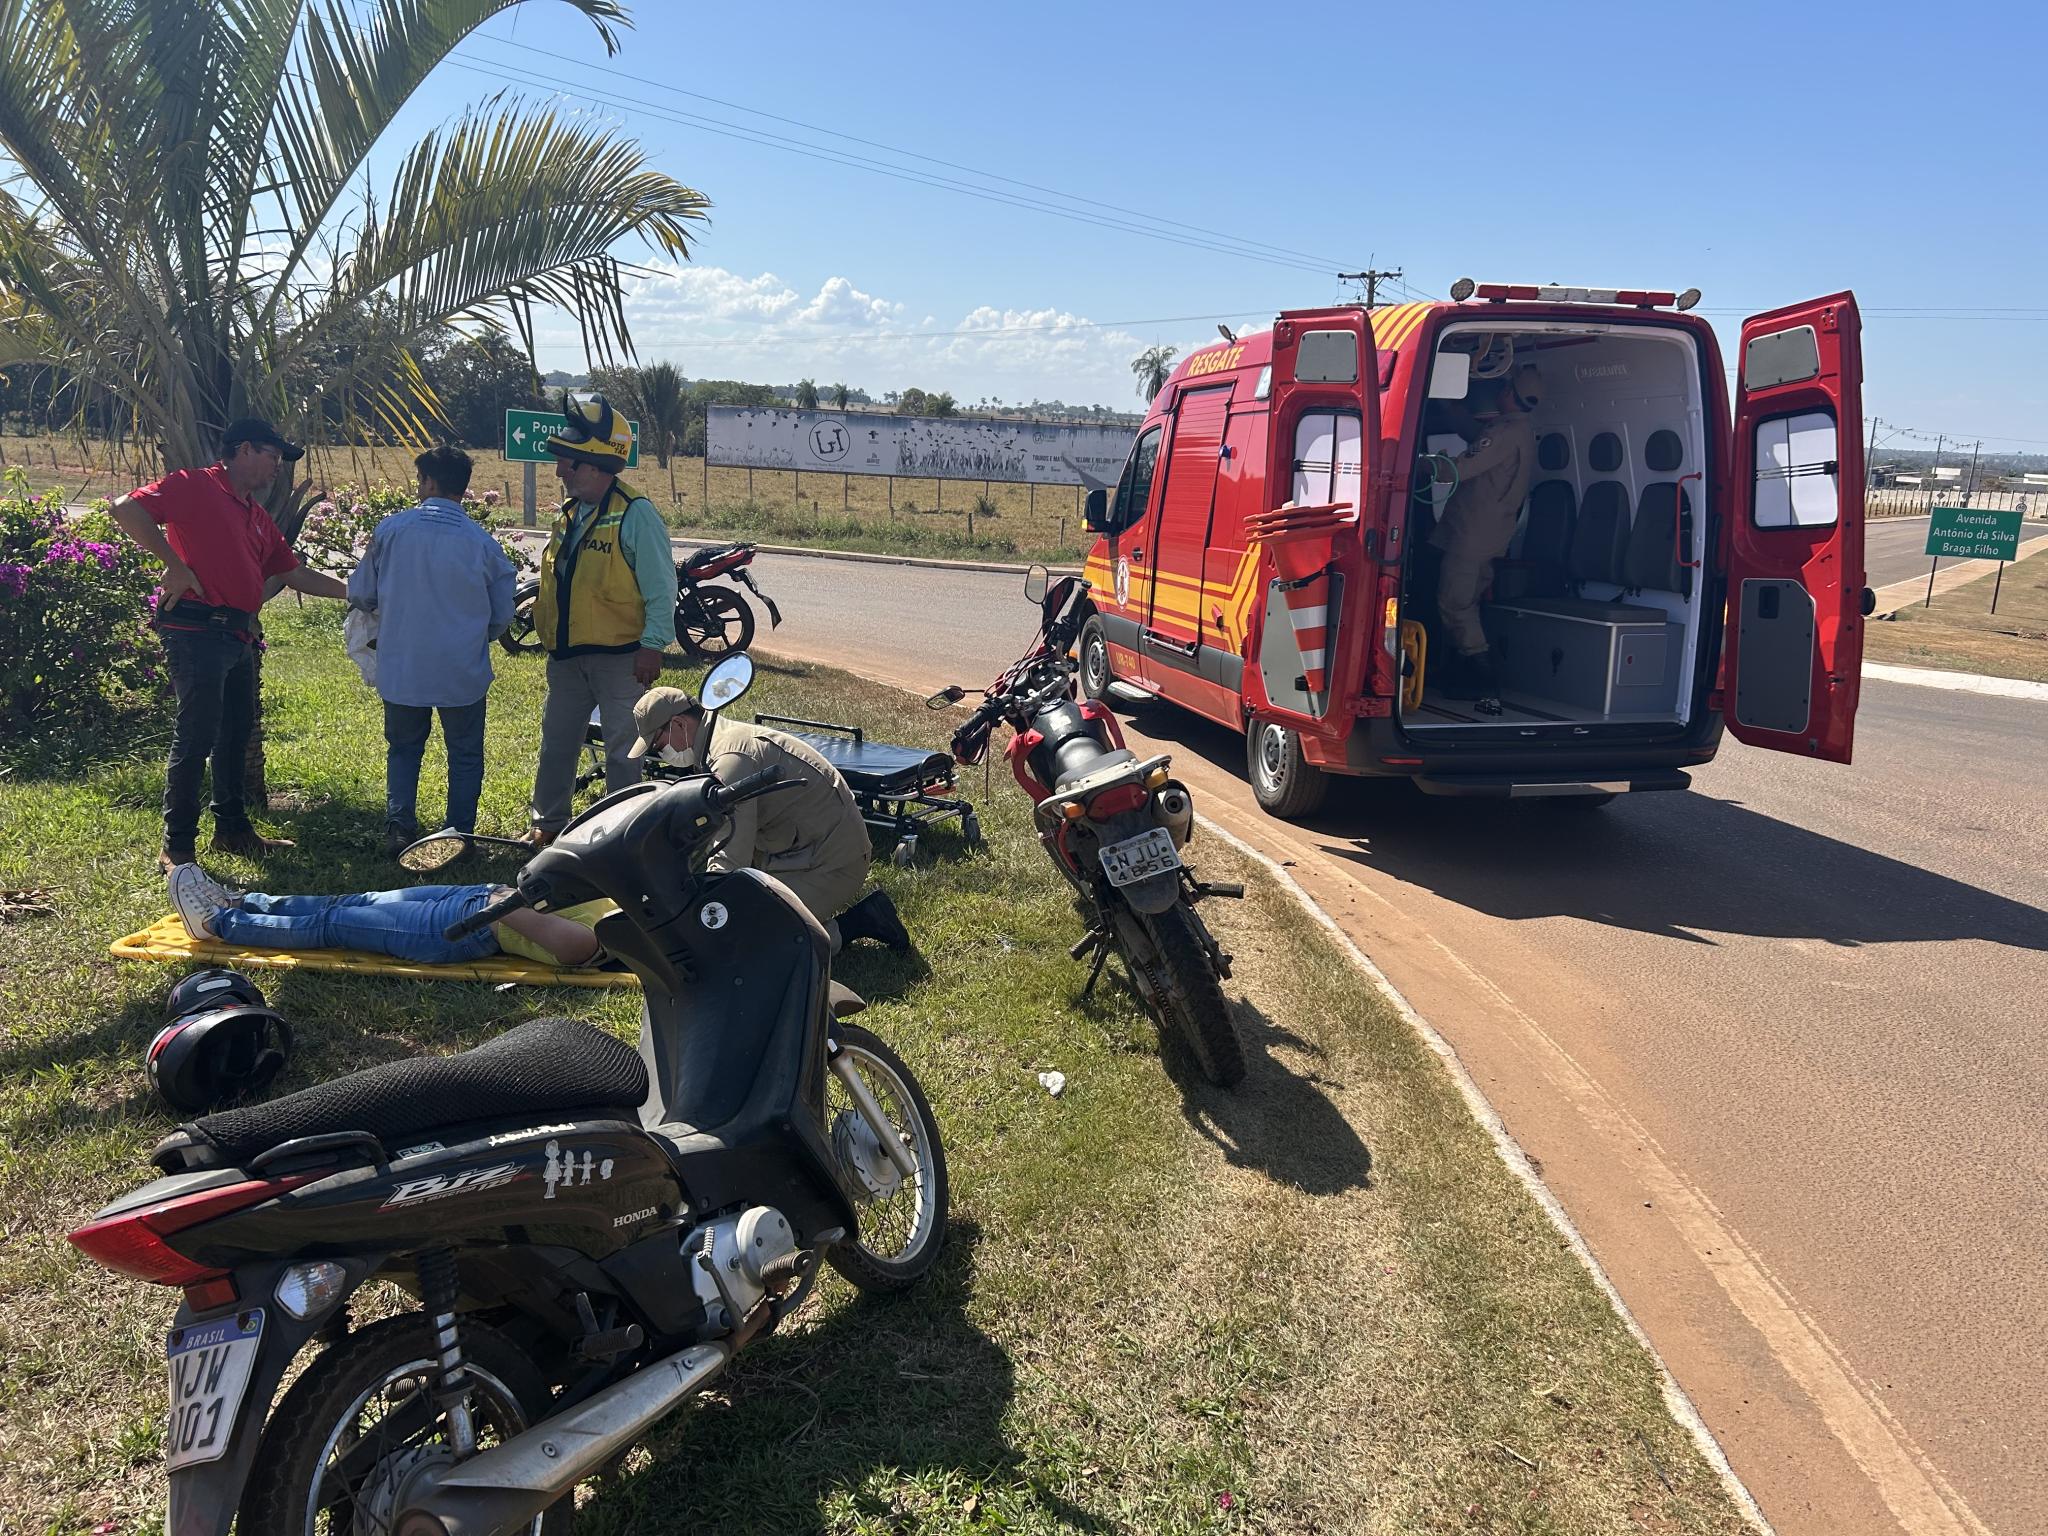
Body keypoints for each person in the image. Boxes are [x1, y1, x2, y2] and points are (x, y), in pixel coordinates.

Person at [110, 418, 351, 869]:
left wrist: (359, 592)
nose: (278, 468)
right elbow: (126, 508)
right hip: (197, 629)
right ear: (243, 450)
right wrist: (174, 565)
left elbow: (292, 573)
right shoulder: (195, 486)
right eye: (273, 456)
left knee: (235, 736)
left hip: (237, 634)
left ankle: (233, 832)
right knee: (197, 736)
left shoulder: (254, 514)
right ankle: (177, 847)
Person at [629, 686, 911, 953]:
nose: (661, 754)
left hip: (831, 863)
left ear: (679, 724)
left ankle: (862, 921)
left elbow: (730, 854)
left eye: (658, 744)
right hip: (797, 853)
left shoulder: (730, 760)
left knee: (751, 938)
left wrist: (707, 913)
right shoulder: (716, 743)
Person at [347, 446, 519, 858]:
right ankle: (458, 834)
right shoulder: (482, 544)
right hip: (463, 671)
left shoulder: (391, 530)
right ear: (463, 487)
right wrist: (477, 637)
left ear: (427, 482)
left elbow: (360, 593)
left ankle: (400, 828)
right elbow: (502, 615)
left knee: (404, 748)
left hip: (403, 668)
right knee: (464, 754)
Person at [528, 396, 679, 842]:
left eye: (568, 464)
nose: (559, 472)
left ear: (595, 465)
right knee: (557, 744)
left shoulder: (636, 514)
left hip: (622, 659)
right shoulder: (569, 514)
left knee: (622, 751)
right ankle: (547, 826)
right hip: (568, 657)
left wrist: (653, 645)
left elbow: (660, 588)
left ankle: (621, 838)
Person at [166, 862, 607, 968]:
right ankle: (246, 902)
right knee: (351, 903)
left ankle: (220, 924)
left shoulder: (627, 933)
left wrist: (508, 901)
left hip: (469, 931)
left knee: (335, 925)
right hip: (483, 897)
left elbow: (577, 949)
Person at [1429, 364, 1541, 700]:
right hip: (1487, 533)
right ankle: (1465, 671)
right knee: (1468, 600)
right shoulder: (1516, 429)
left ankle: (1481, 674)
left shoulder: (1505, 433)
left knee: (1455, 603)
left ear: (1510, 394)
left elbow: (1460, 468)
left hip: (1472, 535)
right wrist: (1452, 412)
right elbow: (1479, 440)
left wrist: (1419, 463)